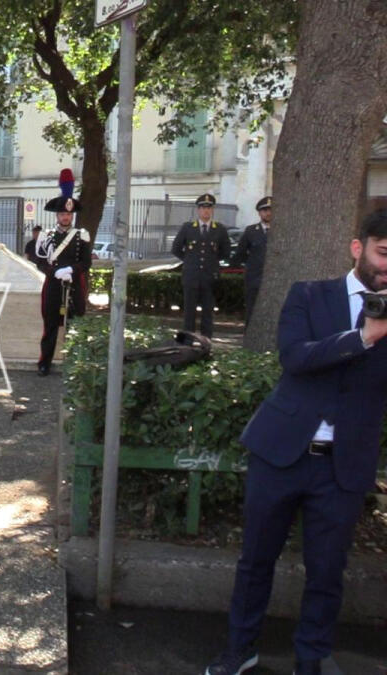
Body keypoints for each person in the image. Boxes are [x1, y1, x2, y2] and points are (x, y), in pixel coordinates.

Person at [204, 208, 387, 675]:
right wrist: (363, 338)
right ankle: (240, 649)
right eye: (384, 253)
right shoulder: (309, 294)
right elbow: (295, 358)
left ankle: (311, 657)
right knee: (255, 561)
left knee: (327, 570)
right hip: (280, 452)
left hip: (344, 465)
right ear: (358, 248)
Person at [34, 170, 92, 377]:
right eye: (62, 214)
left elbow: (86, 262)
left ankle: (75, 364)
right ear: (57, 216)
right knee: (50, 325)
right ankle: (44, 363)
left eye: (68, 214)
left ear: (72, 215)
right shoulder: (46, 236)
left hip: (75, 284)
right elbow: (40, 261)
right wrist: (55, 272)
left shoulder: (81, 235)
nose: (65, 217)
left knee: (74, 325)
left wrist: (72, 270)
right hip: (53, 285)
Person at [172, 193, 231, 338]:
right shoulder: (187, 228)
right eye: (203, 208)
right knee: (189, 313)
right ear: (198, 210)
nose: (206, 211)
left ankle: (206, 343)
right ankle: (187, 343)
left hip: (209, 278)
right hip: (191, 276)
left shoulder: (220, 229)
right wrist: (189, 260)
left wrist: (212, 262)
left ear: (212, 210)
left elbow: (226, 252)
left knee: (208, 313)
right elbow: (176, 248)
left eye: (209, 208)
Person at [232, 196, 272, 325]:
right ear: (259, 213)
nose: (268, 213)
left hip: (274, 279)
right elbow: (240, 253)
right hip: (254, 278)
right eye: (265, 210)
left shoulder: (281, 231)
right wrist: (251, 265)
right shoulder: (251, 231)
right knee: (252, 312)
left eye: (270, 210)